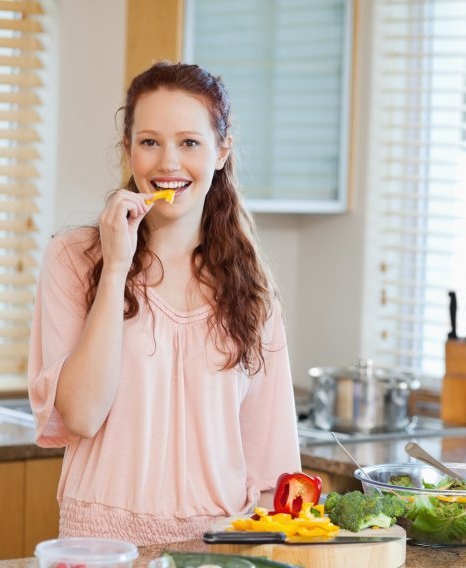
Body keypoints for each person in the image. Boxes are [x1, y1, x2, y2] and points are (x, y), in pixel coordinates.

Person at [27, 61, 301, 546]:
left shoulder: (250, 290)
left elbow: (272, 466)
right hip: (100, 544)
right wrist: (115, 269)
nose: (168, 163)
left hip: (220, 544)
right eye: (149, 142)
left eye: (189, 142)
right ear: (128, 150)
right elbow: (82, 415)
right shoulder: (74, 259)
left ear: (222, 151)